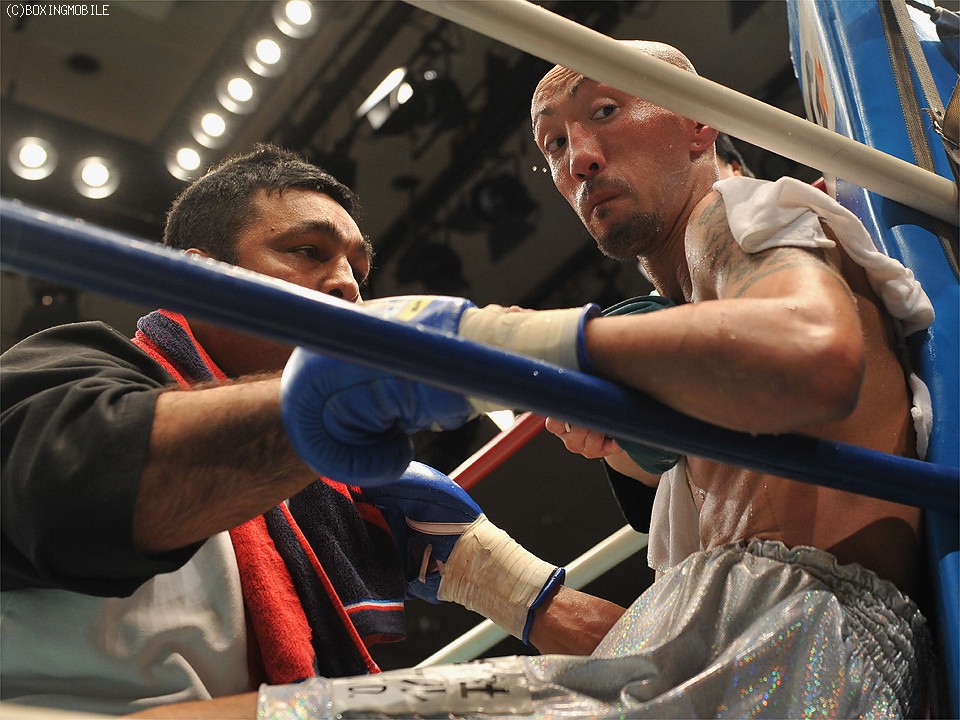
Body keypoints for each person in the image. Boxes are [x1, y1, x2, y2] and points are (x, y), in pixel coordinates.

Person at [123, 41, 933, 718]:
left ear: (699, 121)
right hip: (750, 653)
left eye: (606, 110)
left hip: (780, 648)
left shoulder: (737, 214)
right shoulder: (691, 324)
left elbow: (813, 352)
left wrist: (500, 344)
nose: (580, 157)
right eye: (552, 145)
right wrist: (502, 567)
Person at [0, 144, 624, 716]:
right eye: (308, 251)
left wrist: (509, 584)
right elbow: (82, 484)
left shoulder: (334, 502)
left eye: (358, 269)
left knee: (556, 698)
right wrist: (343, 398)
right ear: (199, 279)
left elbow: (632, 667)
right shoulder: (71, 374)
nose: (348, 283)